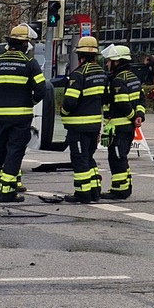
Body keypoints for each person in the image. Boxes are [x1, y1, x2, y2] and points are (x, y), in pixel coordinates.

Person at [0, 25, 46, 203]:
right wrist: (29, 101)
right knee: (14, 152)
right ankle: (7, 192)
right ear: (24, 44)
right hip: (20, 118)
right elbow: (41, 90)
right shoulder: (29, 63)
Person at [60, 36, 108, 203]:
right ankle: (95, 191)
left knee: (79, 160)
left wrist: (63, 112)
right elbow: (106, 99)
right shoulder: (102, 74)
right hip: (94, 125)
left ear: (80, 55)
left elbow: (70, 101)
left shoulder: (78, 75)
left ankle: (82, 193)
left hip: (78, 127)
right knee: (88, 157)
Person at [101, 44, 145, 200]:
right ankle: (125, 186)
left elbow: (122, 103)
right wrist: (139, 115)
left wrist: (133, 116)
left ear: (117, 62)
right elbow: (141, 99)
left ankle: (119, 190)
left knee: (116, 157)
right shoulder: (134, 77)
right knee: (122, 156)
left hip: (119, 126)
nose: (107, 64)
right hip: (128, 127)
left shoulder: (118, 80)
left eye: (109, 61)